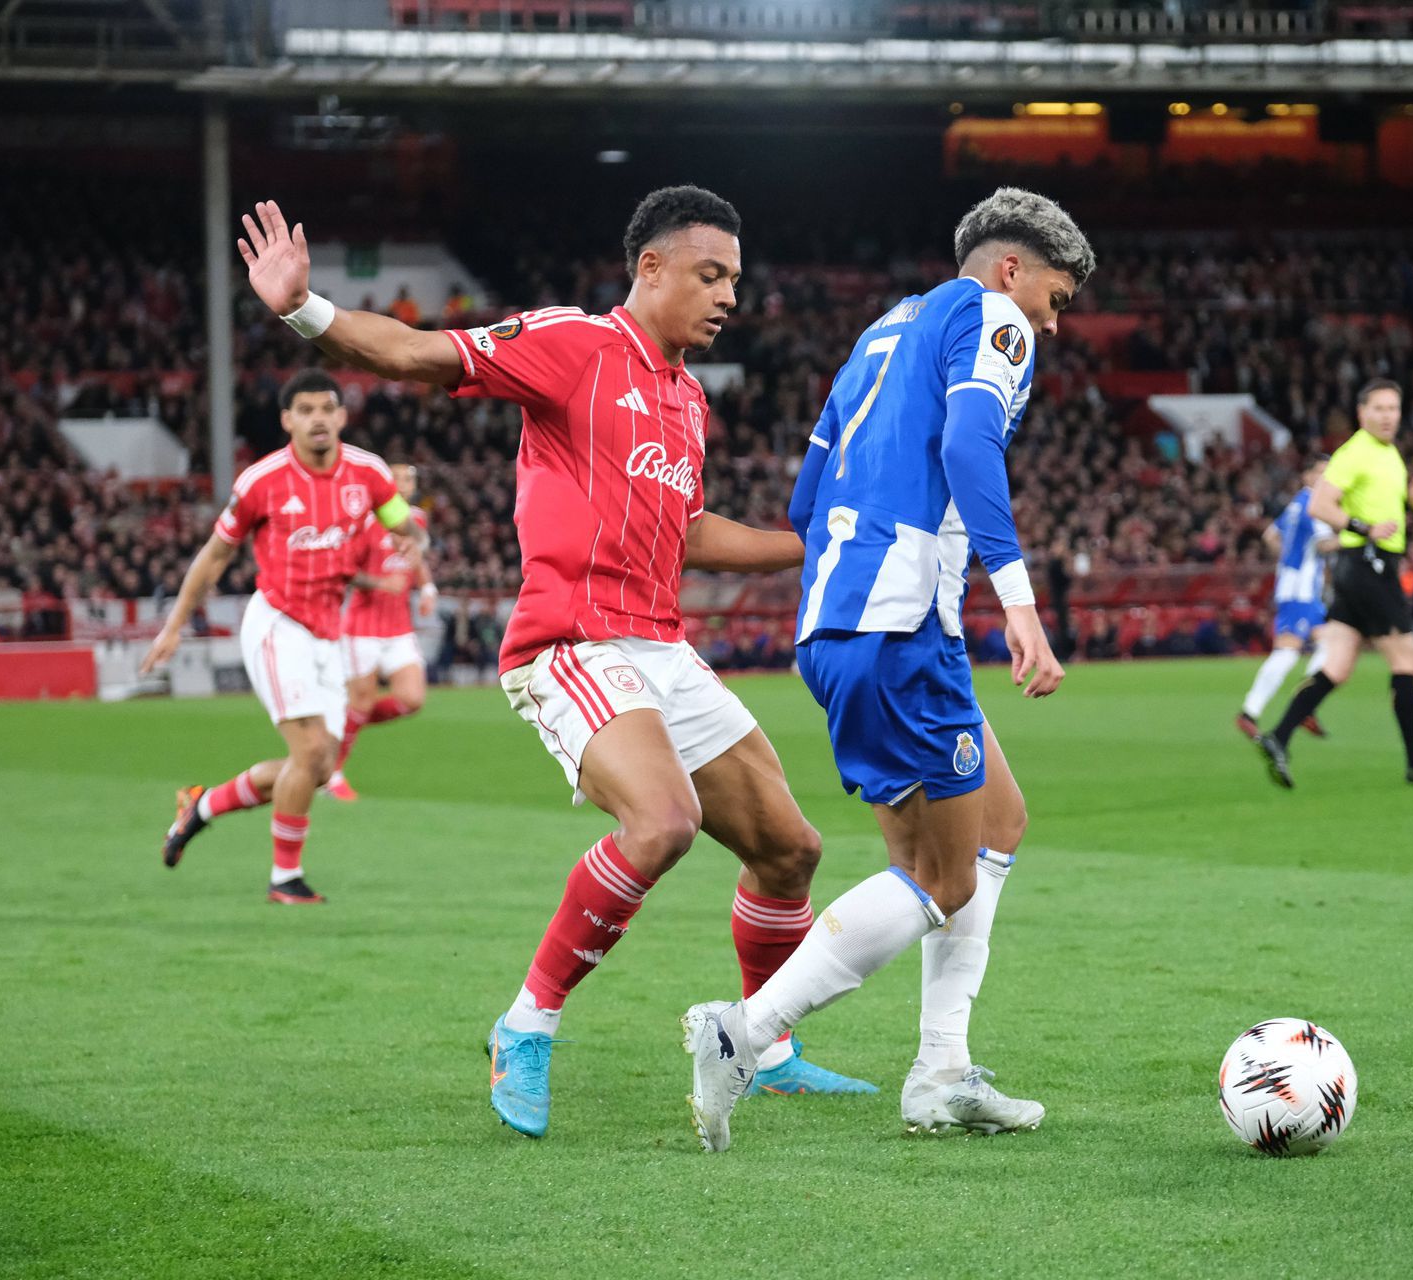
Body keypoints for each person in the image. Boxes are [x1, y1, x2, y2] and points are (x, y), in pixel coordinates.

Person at [233, 192, 873, 1140]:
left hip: (661, 645)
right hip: (569, 639)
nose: (728, 295)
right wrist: (303, 308)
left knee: (791, 849)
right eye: (710, 274)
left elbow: (688, 532)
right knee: (662, 822)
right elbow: (417, 355)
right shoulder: (574, 343)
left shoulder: (688, 399)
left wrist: (814, 547)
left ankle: (762, 1044)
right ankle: (524, 1026)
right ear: (649, 268)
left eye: (735, 279)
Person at [683, 187, 1093, 1152]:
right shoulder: (991, 318)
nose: (1051, 320)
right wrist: (1021, 603)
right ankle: (743, 1032)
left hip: (841, 624)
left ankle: (943, 1073)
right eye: (1055, 297)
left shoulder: (882, 331)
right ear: (1010, 268)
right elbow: (967, 442)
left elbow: (811, 486)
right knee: (939, 879)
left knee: (1000, 818)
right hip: (905, 626)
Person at [142, 369, 429, 904]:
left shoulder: (367, 474)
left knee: (317, 769)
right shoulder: (262, 481)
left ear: (342, 416)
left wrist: (409, 540)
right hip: (278, 624)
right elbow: (215, 555)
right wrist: (175, 625)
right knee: (314, 748)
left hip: (328, 633)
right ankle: (284, 879)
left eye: (327, 409)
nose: (318, 419)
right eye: (306, 410)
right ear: (286, 420)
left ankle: (200, 807)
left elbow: (399, 519)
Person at [1253, 379, 1413, 789]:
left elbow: (1379, 503)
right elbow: (1320, 504)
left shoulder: (1388, 455)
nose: (1388, 416)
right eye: (1380, 409)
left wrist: (1411, 502)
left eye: (1394, 408)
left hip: (1360, 567)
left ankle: (1278, 736)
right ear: (1362, 413)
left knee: (1337, 667)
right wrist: (1363, 527)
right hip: (1369, 565)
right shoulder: (1353, 454)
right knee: (1406, 662)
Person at [325, 462, 434, 802]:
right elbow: (344, 571)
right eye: (398, 477)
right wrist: (380, 583)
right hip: (363, 629)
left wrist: (427, 586)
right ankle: (333, 774)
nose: (404, 484)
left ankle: (343, 726)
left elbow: (415, 556)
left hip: (399, 628)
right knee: (361, 700)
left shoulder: (416, 519)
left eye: (409, 478)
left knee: (412, 699)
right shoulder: (364, 521)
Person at [1237, 454, 1337, 741]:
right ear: (1307, 476)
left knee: (1331, 644)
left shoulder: (1296, 503)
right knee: (1288, 651)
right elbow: (1325, 543)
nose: (1326, 479)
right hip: (1301, 591)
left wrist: (1289, 560)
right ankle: (1250, 711)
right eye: (1320, 473)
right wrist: (1361, 536)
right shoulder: (1315, 506)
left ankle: (1306, 705)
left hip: (1295, 586)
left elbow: (1270, 535)